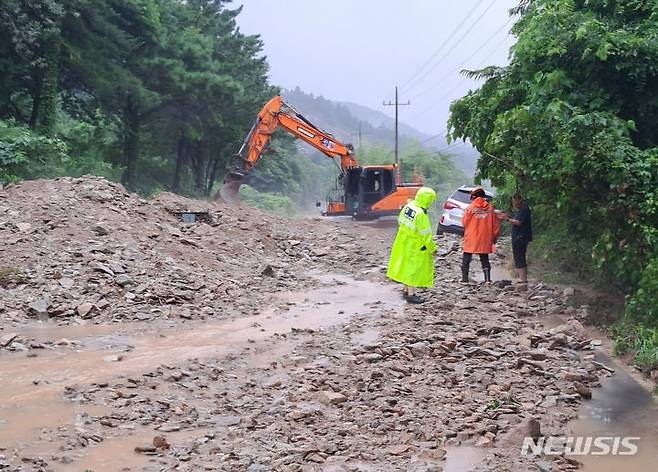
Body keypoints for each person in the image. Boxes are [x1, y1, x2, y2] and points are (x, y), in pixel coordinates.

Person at [387, 187, 437, 304]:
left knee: (405, 265)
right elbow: (426, 235)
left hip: (403, 241)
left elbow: (400, 221)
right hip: (416, 246)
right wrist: (433, 249)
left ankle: (405, 290)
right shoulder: (421, 215)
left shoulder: (409, 206)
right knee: (412, 269)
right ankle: (411, 294)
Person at [461, 187, 500, 283]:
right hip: (485, 238)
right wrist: (494, 237)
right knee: (484, 258)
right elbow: (495, 225)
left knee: (467, 258)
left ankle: (464, 280)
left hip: (471, 238)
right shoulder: (490, 208)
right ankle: (487, 279)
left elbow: (464, 222)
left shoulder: (470, 208)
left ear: (473, 196)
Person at [506, 194, 532, 284]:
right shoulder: (521, 210)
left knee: (519, 256)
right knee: (518, 256)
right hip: (519, 237)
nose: (513, 204)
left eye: (514, 202)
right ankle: (522, 278)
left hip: (521, 237)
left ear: (519, 200)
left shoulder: (524, 209)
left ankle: (523, 278)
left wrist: (507, 219)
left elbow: (518, 222)